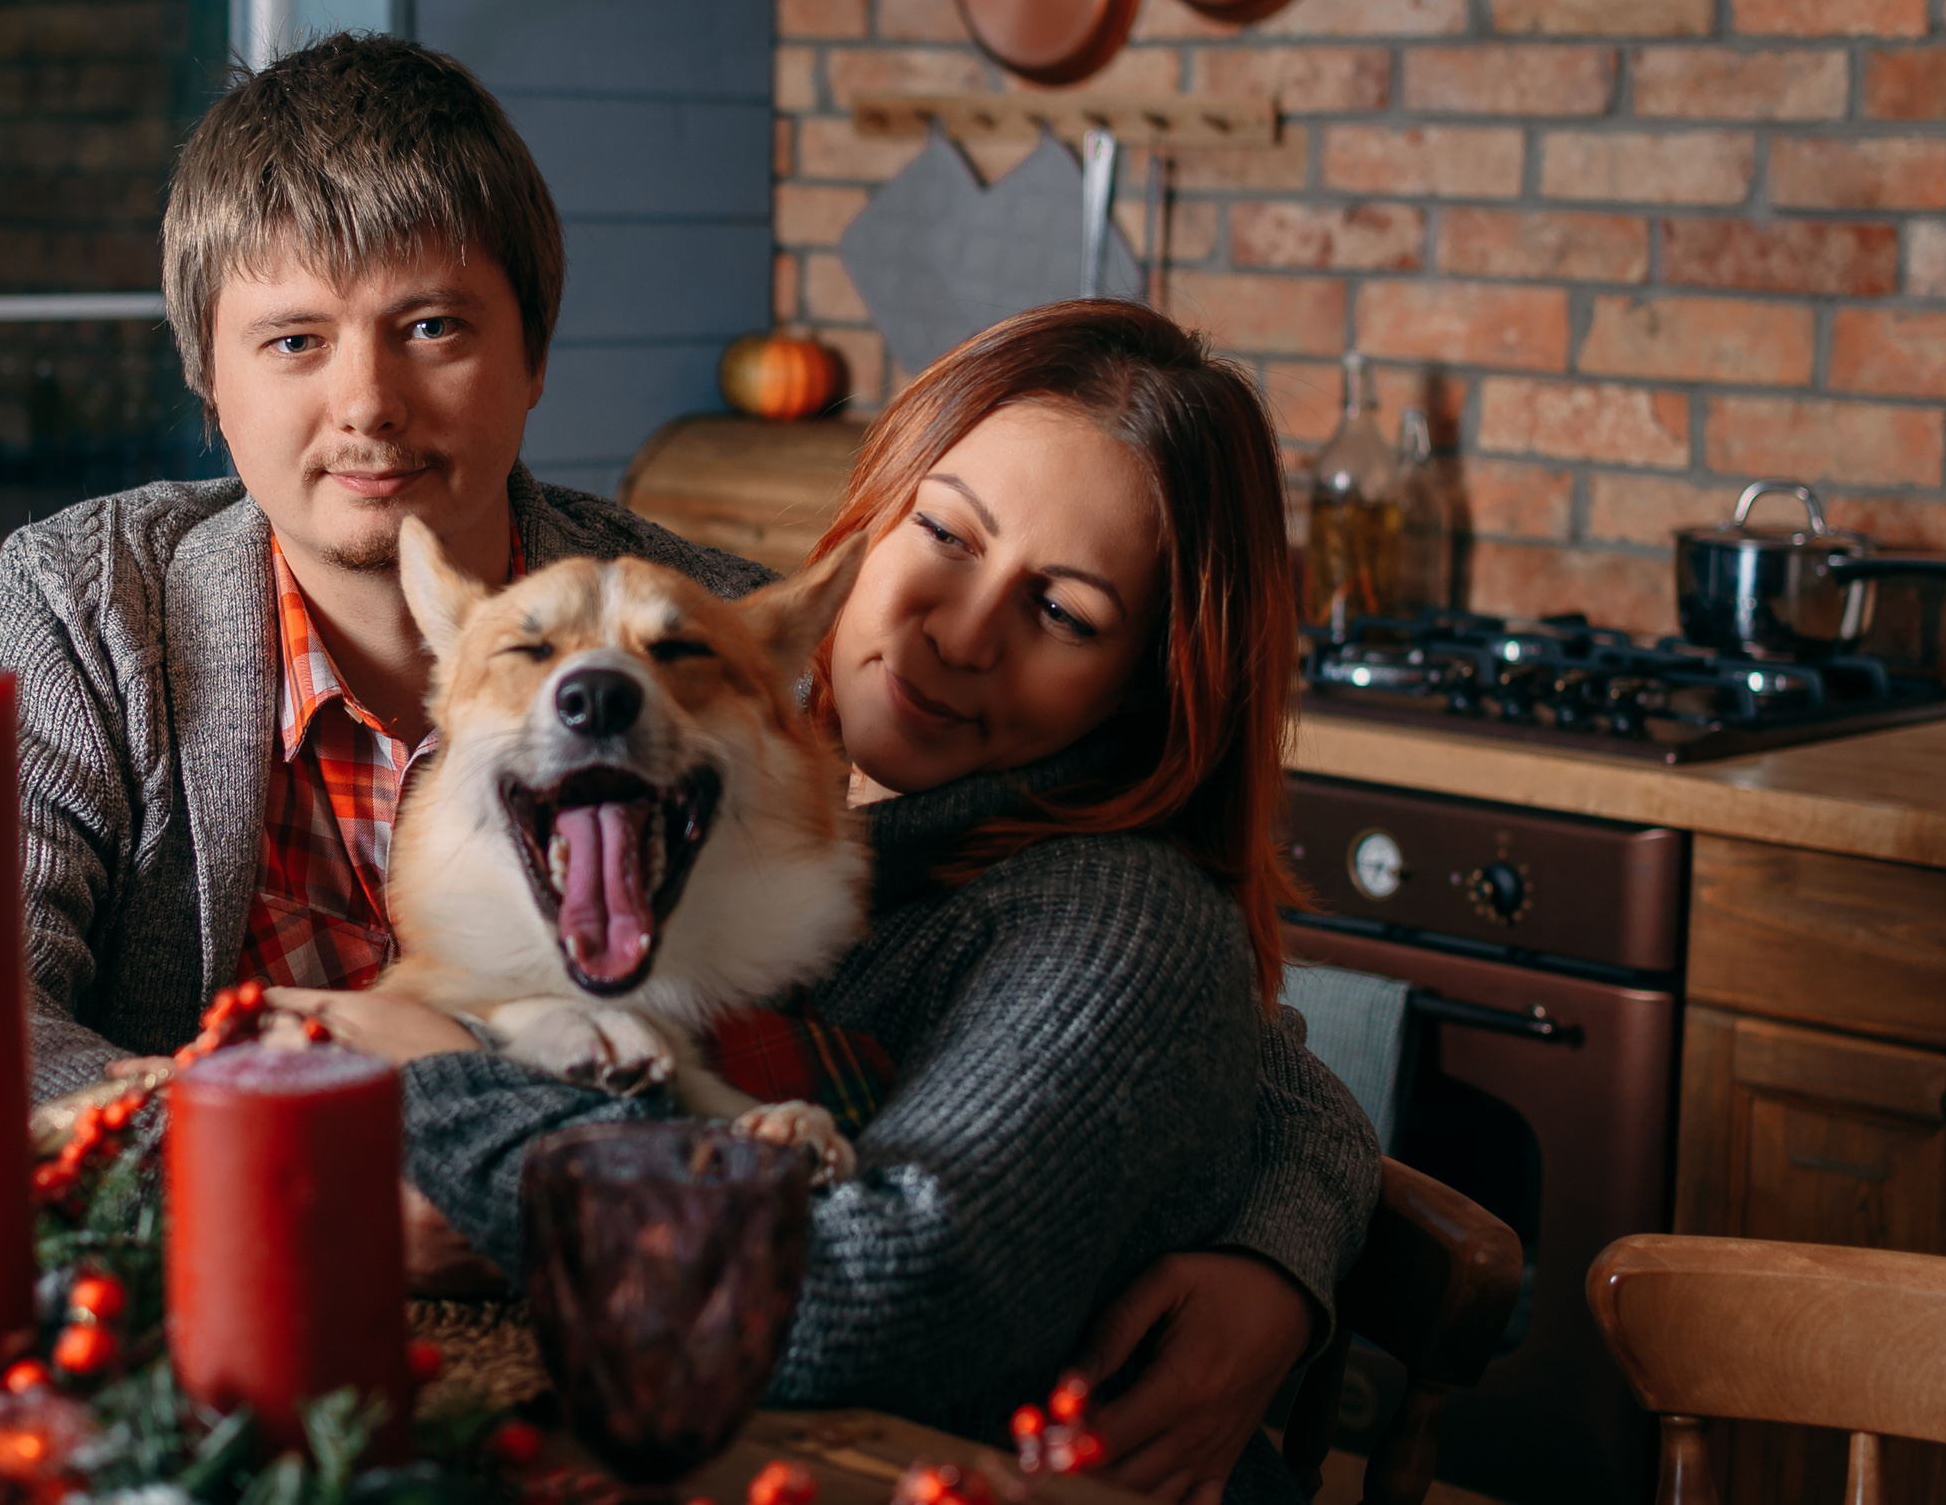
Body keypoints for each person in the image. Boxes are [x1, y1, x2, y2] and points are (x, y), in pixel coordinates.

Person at [0, 33, 1375, 1503]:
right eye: (295, 339)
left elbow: (1165, 995)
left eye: (435, 326)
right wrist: (273, 1176)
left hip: (648, 1415)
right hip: (223, 1389)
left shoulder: (703, 640)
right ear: (208, 374)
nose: (367, 402)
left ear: (533, 358)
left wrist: (1284, 1235)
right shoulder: (94, 605)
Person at [276, 300, 1364, 1502]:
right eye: (945, 534)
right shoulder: (754, 667)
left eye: (1062, 612)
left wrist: (438, 1083)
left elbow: (874, 1304)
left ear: (1151, 689)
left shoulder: (1114, 917)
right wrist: (1298, 1218)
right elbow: (1266, 1071)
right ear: (871, 514)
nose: (954, 633)